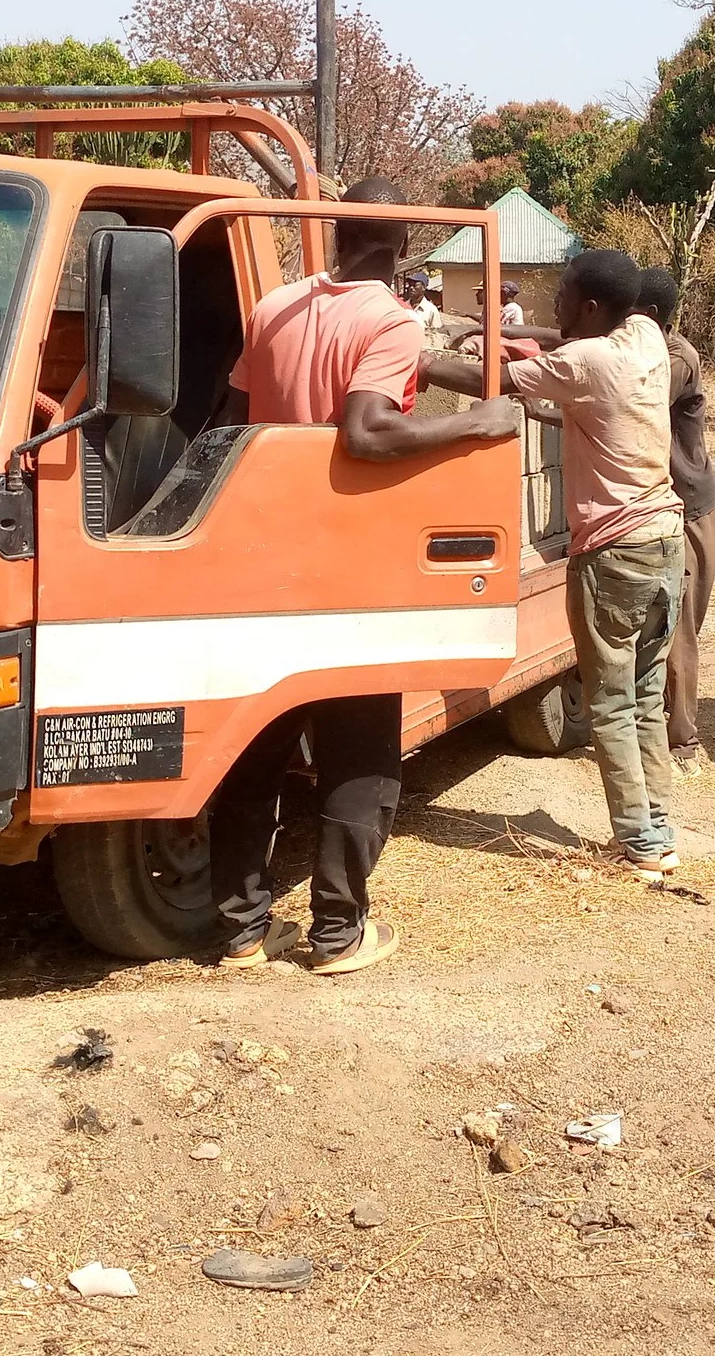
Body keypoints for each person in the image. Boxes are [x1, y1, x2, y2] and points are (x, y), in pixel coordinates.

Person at [209, 178, 521, 976]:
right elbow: (368, 428)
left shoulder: (274, 305)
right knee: (360, 752)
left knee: (257, 744)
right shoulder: (385, 315)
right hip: (347, 559)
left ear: (337, 233)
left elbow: (232, 416)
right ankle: (337, 932)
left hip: (260, 547)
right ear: (402, 248)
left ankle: (242, 930)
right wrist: (476, 423)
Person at [425, 248, 684, 875]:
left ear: (591, 307)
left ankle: (638, 841)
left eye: (562, 295)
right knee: (647, 692)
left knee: (611, 702)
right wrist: (505, 332)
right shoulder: (646, 336)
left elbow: (492, 384)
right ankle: (661, 824)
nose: (553, 306)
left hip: (614, 550)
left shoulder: (587, 362)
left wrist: (416, 356)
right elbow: (555, 343)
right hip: (665, 541)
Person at [635, 267, 715, 774]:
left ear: (645, 317)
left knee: (679, 624)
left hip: (691, 510)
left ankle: (682, 737)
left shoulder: (674, 361)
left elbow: (627, 399)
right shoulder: (650, 348)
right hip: (669, 502)